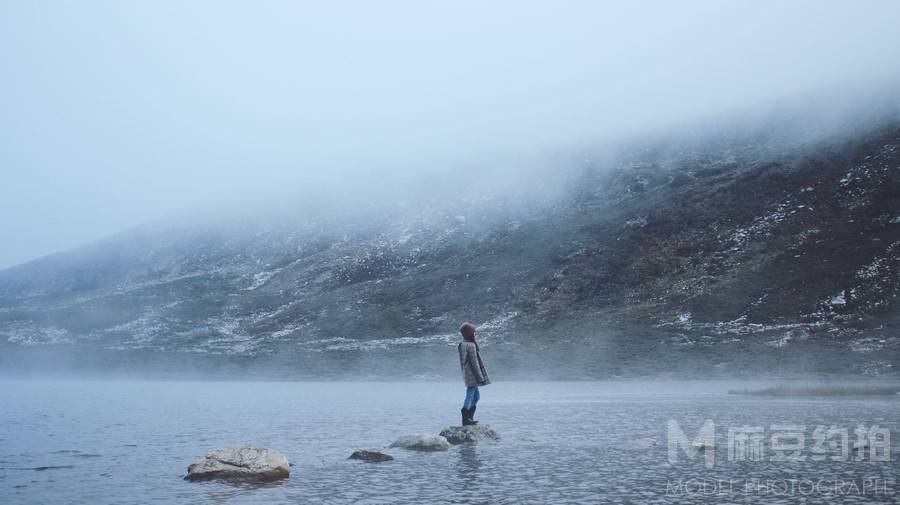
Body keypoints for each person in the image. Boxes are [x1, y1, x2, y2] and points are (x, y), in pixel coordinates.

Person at [457, 322, 490, 426]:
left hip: (466, 373)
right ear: (470, 334)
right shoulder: (471, 345)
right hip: (472, 375)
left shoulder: (462, 345)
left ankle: (469, 418)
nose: (475, 334)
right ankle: (466, 415)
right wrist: (480, 377)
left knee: (476, 397)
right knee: (471, 395)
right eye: (474, 332)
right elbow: (475, 363)